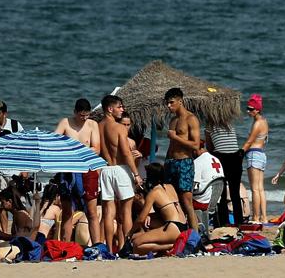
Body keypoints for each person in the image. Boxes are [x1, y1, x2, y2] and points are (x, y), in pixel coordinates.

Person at [54, 97, 102, 245]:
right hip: (68, 170)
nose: (84, 118)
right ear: (75, 112)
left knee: (92, 211)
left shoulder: (92, 124)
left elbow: (97, 149)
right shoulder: (65, 123)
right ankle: (66, 245)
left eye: (86, 115)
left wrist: (76, 150)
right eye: (81, 115)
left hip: (87, 169)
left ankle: (96, 245)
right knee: (68, 211)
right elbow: (54, 142)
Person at [99, 94, 143, 253]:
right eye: (120, 107)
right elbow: (125, 153)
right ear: (110, 109)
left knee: (108, 212)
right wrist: (136, 174)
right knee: (126, 212)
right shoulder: (118, 127)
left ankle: (110, 249)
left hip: (105, 170)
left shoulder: (99, 126)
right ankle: (128, 248)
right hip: (120, 169)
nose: (122, 110)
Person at [128, 163, 190, 255]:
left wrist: (129, 233)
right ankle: (172, 245)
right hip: (184, 225)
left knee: (136, 245)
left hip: (173, 227)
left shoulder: (154, 192)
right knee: (143, 235)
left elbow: (141, 219)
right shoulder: (171, 187)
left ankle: (172, 246)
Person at [163, 88, 200, 229]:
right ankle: (178, 231)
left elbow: (196, 145)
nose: (168, 106)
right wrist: (166, 162)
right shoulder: (173, 120)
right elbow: (171, 145)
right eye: (167, 103)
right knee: (171, 199)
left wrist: (176, 137)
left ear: (180, 101)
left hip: (184, 162)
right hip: (171, 162)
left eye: (171, 102)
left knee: (186, 201)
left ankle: (195, 236)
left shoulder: (191, 119)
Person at [205, 118, 242, 227]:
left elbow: (209, 147)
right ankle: (239, 222)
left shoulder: (210, 124)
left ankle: (224, 222)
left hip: (221, 158)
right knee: (235, 193)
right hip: (235, 157)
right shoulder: (229, 122)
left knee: (221, 193)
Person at [241, 93, 269, 223]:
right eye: (248, 108)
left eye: (251, 109)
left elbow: (249, 142)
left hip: (254, 154)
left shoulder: (257, 124)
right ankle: (263, 217)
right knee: (260, 188)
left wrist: (239, 153)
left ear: (257, 109)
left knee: (254, 189)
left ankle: (256, 217)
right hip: (261, 154)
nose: (248, 111)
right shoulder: (264, 121)